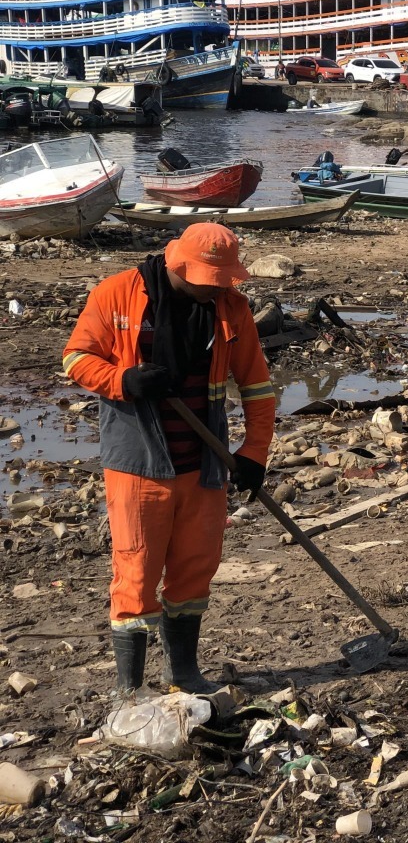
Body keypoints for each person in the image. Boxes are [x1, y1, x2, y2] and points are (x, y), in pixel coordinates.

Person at [62, 224, 275, 694]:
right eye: (210, 278)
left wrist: (254, 453)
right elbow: (75, 358)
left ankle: (181, 672)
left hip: (204, 463)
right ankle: (130, 689)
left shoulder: (230, 308)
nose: (219, 287)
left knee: (196, 567)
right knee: (135, 572)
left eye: (225, 279)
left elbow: (258, 388)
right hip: (137, 462)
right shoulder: (118, 294)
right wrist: (124, 380)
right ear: (178, 265)